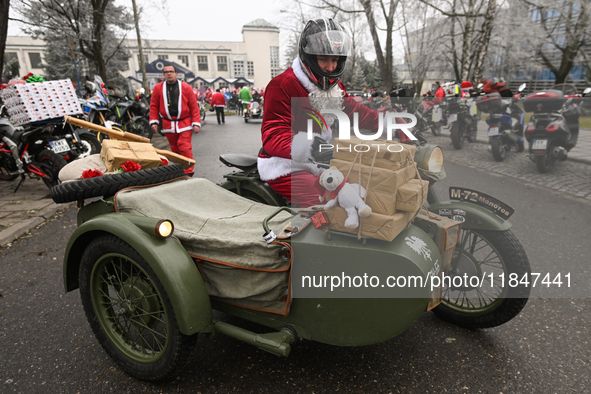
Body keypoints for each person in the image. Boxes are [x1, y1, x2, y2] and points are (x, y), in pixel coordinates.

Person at [258, 18, 394, 207]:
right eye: (323, 59)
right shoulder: (283, 84)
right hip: (284, 164)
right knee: (329, 203)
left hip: (321, 159)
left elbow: (356, 112)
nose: (330, 68)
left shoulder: (335, 88)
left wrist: (392, 125)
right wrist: (311, 147)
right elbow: (274, 134)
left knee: (365, 185)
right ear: (310, 57)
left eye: (335, 60)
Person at [149, 65, 201, 175]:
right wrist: (154, 120)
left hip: (184, 122)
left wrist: (196, 122)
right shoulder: (158, 88)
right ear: (163, 75)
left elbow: (193, 106)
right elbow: (153, 105)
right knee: (175, 149)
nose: (169, 73)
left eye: (171, 71)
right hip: (168, 124)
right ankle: (181, 169)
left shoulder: (186, 87)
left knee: (184, 146)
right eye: (166, 72)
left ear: (176, 74)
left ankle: (188, 171)